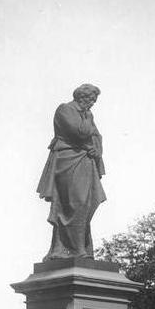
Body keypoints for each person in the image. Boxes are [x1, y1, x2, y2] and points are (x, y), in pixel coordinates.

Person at [37, 83, 106, 260]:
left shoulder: (87, 114)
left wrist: (95, 149)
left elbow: (97, 137)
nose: (92, 104)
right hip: (67, 160)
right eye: (91, 99)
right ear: (81, 97)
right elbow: (80, 133)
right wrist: (89, 126)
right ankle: (74, 249)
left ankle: (75, 247)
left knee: (89, 202)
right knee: (75, 203)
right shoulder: (65, 110)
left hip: (85, 161)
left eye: (94, 101)